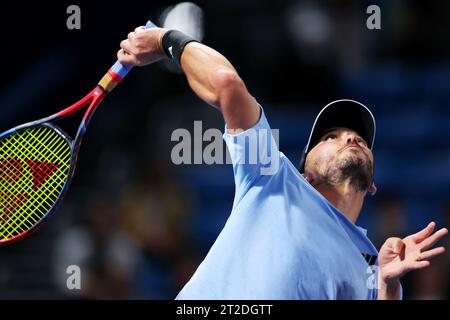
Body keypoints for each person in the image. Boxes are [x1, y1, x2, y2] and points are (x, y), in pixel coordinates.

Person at [117, 25, 448, 299]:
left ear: (372, 184)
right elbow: (226, 83)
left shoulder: (374, 268)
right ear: (305, 174)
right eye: (330, 137)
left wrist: (388, 287)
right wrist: (166, 41)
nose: (349, 138)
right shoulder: (273, 177)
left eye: (358, 138)